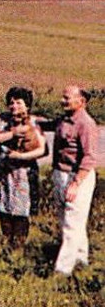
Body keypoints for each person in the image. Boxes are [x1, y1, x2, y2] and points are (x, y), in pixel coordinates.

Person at [0, 86, 48, 250]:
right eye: (12, 102)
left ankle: (18, 248)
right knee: (3, 206)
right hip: (4, 173)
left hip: (24, 173)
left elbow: (42, 150)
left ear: (27, 105)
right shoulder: (2, 119)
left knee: (21, 211)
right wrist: (12, 134)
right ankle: (7, 244)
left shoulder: (34, 122)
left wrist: (20, 156)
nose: (14, 106)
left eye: (19, 103)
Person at [47, 86, 98, 278]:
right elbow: (52, 125)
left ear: (81, 102)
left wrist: (76, 184)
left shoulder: (86, 124)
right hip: (61, 174)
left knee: (72, 223)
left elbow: (89, 157)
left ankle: (62, 270)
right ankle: (80, 260)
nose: (62, 101)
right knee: (70, 221)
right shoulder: (64, 119)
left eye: (67, 98)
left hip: (78, 177)